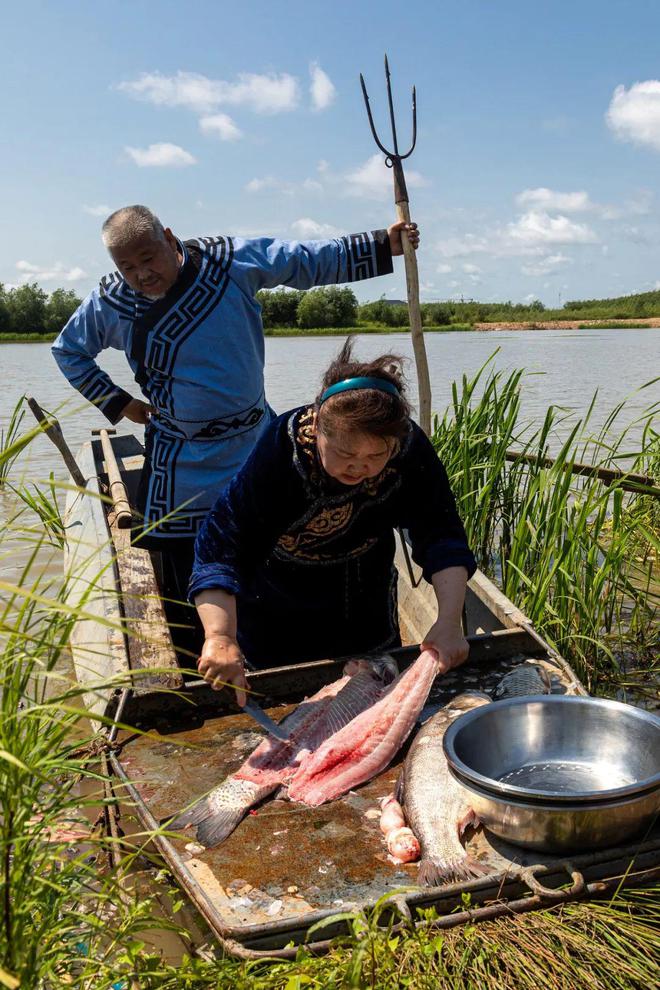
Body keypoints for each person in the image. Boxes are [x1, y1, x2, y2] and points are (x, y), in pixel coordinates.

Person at [51, 205, 419, 613]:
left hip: (254, 441)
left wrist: (384, 245)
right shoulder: (110, 301)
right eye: (127, 266)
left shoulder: (225, 262)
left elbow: (301, 259)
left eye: (148, 258)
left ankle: (264, 641)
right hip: (180, 455)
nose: (141, 274)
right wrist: (120, 403)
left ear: (169, 239)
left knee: (271, 544)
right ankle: (199, 646)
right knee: (185, 562)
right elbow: (68, 351)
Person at [189, 340, 477, 705]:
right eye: (344, 453)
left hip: (361, 593)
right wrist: (220, 637)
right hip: (278, 600)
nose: (360, 466)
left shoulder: (408, 447)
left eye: (376, 455)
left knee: (370, 700)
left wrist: (449, 621)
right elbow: (221, 545)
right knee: (285, 707)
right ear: (319, 428)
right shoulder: (281, 449)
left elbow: (440, 533)